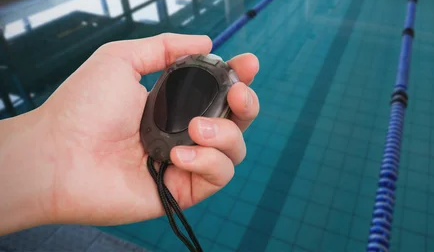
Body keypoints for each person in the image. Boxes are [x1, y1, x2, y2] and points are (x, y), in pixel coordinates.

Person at [0, 34, 260, 236]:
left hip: (155, 136)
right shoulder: (206, 72)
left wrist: (51, 153)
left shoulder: (184, 67)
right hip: (162, 139)